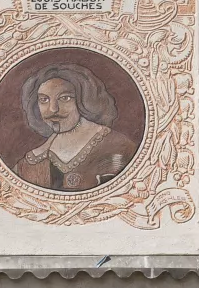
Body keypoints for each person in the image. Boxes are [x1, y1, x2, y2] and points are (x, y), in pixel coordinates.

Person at [14, 61, 137, 191]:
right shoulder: (28, 164)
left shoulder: (117, 147)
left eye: (64, 98)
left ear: (84, 100)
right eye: (44, 100)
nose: (53, 109)